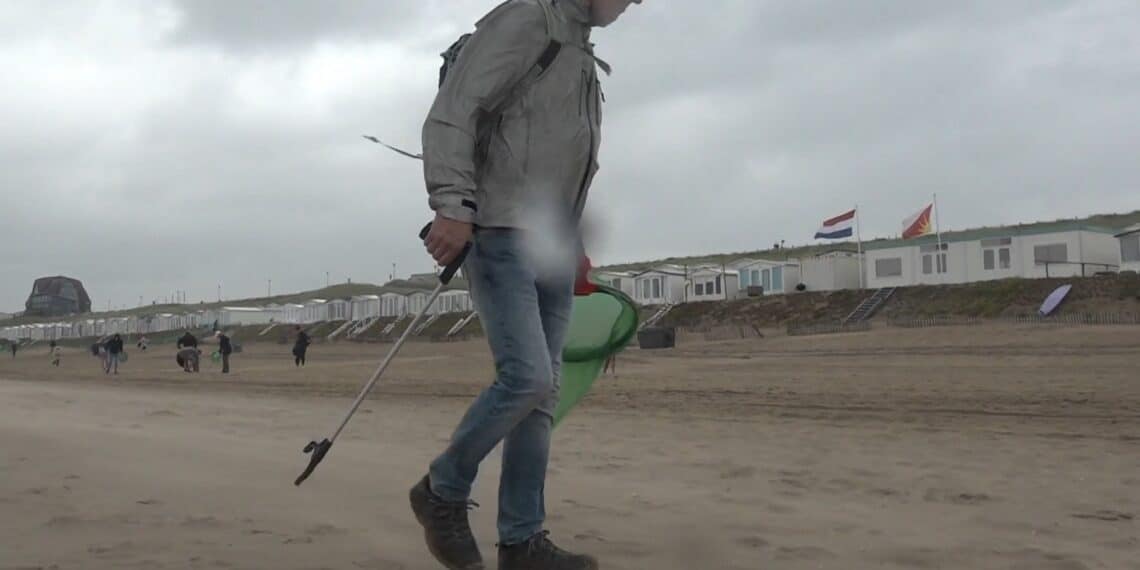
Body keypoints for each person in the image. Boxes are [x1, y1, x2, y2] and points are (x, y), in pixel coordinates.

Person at [411, 1, 640, 568]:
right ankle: (442, 489)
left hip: (549, 242)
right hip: (495, 227)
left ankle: (522, 540)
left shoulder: (580, 45)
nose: (631, 4)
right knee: (527, 378)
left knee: (543, 392)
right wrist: (452, 205)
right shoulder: (528, 20)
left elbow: (563, 158)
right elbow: (453, 114)